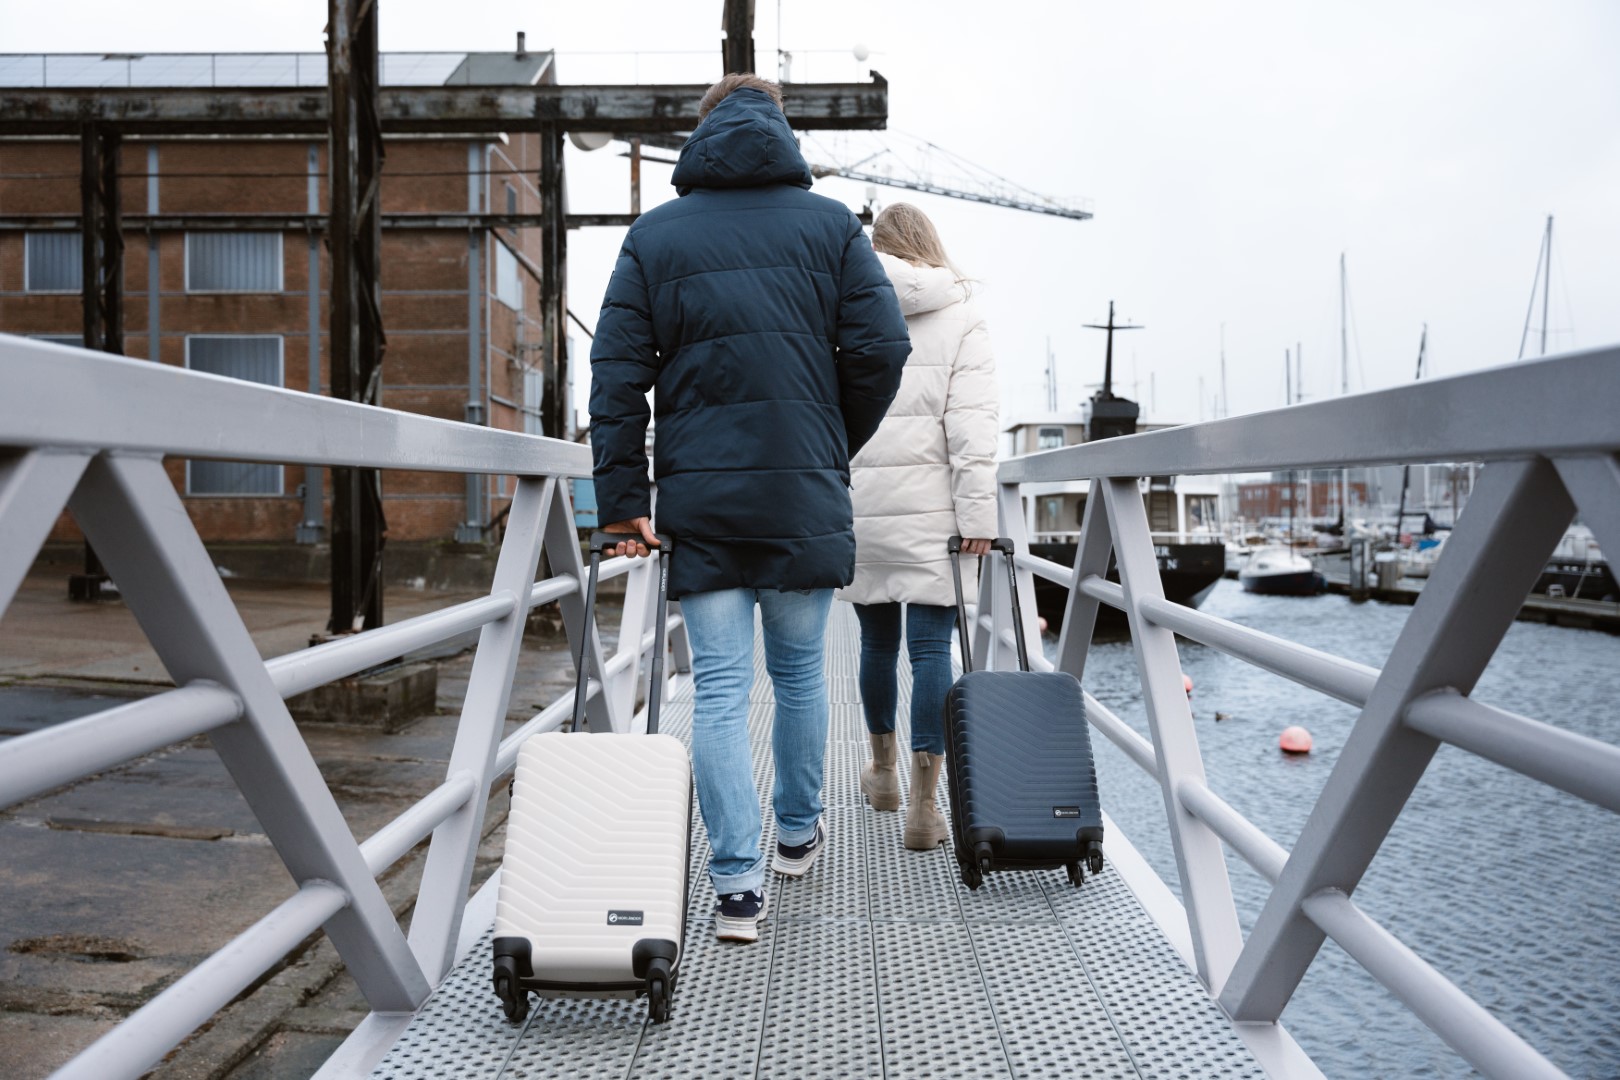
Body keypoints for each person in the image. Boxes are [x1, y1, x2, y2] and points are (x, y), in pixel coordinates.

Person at [588, 74, 910, 943]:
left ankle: (736, 885)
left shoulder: (653, 237)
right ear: (782, 133)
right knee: (801, 674)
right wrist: (828, 436)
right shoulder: (833, 227)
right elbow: (883, 346)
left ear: (700, 136)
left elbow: (617, 377)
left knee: (722, 689)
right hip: (801, 487)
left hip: (701, 496)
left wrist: (623, 499)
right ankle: (798, 834)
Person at [837, 203, 999, 851]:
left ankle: (882, 776)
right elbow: (973, 433)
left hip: (863, 509)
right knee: (932, 652)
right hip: (938, 519)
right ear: (932, 245)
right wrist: (979, 518)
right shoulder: (964, 319)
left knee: (877, 646)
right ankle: (927, 809)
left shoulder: (846, 309)